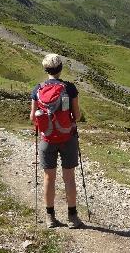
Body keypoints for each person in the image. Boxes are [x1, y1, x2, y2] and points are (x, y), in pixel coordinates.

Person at [30, 53, 84, 228]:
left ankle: (50, 217)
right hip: (68, 137)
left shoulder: (37, 89)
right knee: (69, 177)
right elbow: (77, 115)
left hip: (47, 138)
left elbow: (33, 117)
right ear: (60, 69)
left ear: (45, 69)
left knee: (48, 178)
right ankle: (73, 217)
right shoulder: (70, 88)